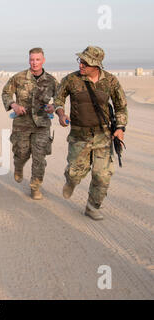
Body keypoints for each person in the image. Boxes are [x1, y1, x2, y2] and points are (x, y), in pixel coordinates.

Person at [53, 46, 127, 220]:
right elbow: (58, 99)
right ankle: (71, 181)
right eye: (81, 61)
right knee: (74, 171)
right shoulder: (71, 80)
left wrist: (120, 127)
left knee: (102, 175)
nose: (81, 65)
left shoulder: (111, 81)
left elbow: (121, 106)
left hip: (103, 135)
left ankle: (93, 207)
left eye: (86, 62)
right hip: (79, 136)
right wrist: (61, 114)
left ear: (97, 65)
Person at [2, 48, 58, 199]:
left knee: (39, 157)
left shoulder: (51, 81)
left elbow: (60, 99)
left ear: (43, 60)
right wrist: (14, 106)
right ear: (29, 60)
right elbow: (6, 93)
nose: (34, 63)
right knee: (21, 153)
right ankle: (18, 166)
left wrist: (54, 107)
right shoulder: (19, 78)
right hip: (22, 124)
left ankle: (35, 186)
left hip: (42, 125)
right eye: (32, 59)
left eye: (38, 59)